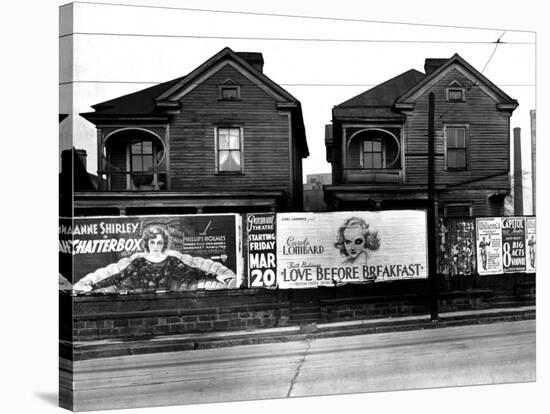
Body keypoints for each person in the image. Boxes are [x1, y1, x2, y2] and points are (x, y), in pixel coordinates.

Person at [73, 225, 236, 293]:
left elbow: (194, 272)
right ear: (147, 243)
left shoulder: (172, 261)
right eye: (152, 242)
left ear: (164, 243)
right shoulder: (139, 262)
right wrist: (92, 287)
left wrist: (217, 276)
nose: (156, 245)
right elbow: (117, 277)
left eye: (159, 242)